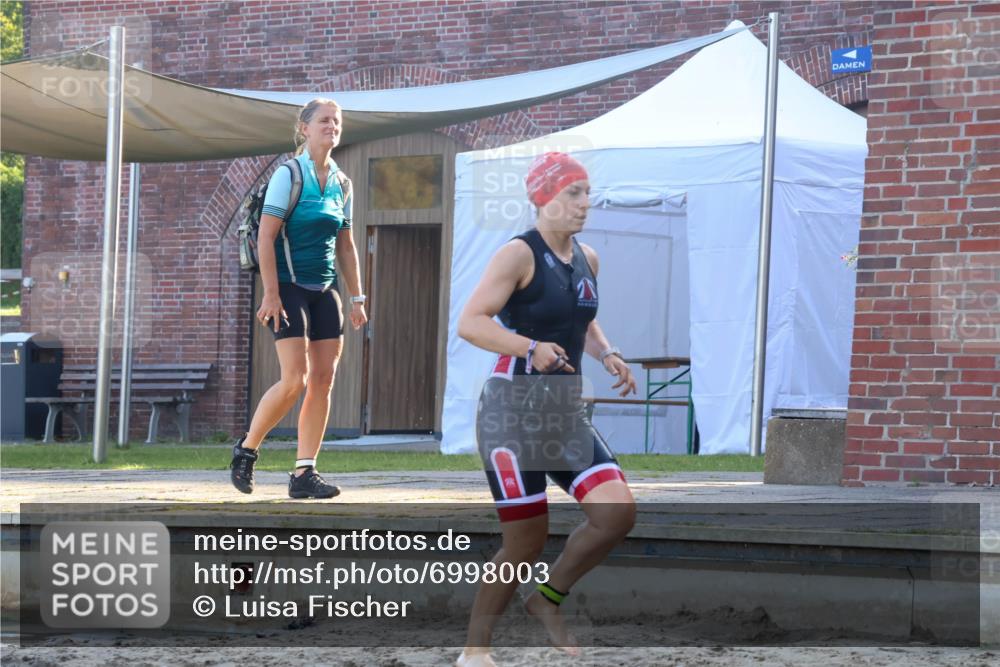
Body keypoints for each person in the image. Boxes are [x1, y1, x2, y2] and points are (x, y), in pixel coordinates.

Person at [455, 152, 638, 666]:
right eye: (572, 194)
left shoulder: (588, 258)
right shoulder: (517, 254)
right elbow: (471, 322)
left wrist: (609, 354)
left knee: (616, 513)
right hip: (511, 412)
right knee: (525, 541)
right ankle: (475, 651)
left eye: (586, 192)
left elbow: (583, 319)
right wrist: (526, 346)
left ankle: (546, 598)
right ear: (543, 198)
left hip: (563, 412)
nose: (585, 203)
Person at [229, 98, 367, 499]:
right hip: (287, 287)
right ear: (304, 128)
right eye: (324, 120)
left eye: (337, 121)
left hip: (325, 290)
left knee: (323, 381)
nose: (332, 126)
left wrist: (357, 297)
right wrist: (270, 294)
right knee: (294, 380)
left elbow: (346, 245)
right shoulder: (288, 175)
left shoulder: (343, 183)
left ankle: (304, 472)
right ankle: (247, 449)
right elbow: (267, 238)